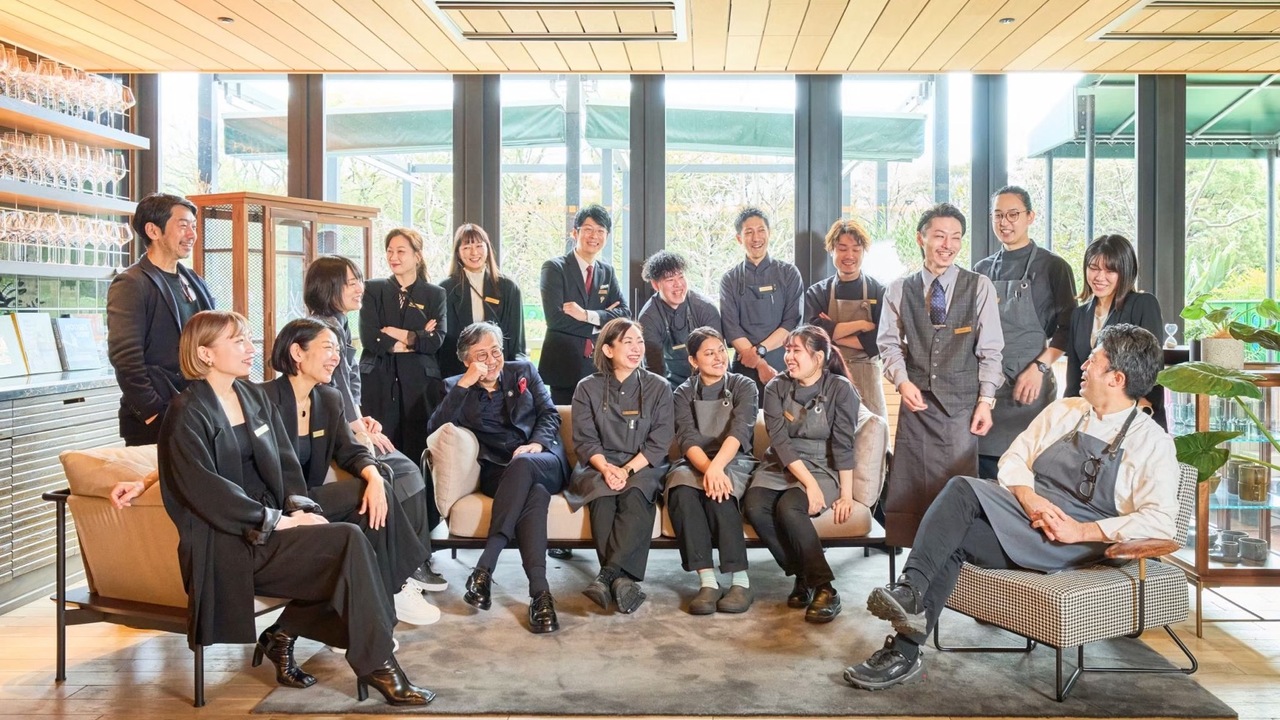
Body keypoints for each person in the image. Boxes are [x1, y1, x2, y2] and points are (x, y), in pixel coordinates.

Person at [843, 323, 1178, 691]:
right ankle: (905, 645)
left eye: (1093, 360)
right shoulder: (1066, 410)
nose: (1083, 365)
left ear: (1116, 378)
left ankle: (909, 599)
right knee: (955, 528)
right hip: (1030, 516)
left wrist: (1081, 531)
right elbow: (1015, 458)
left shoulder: (1152, 443)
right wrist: (1030, 498)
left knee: (961, 490)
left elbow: (1161, 521)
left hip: (1075, 541)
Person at [148, 310, 433, 705]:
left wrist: (301, 508)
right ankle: (378, 661)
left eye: (248, 338)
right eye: (238, 341)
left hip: (273, 524)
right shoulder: (186, 412)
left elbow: (284, 463)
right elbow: (205, 491)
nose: (250, 348)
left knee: (362, 514)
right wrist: (278, 521)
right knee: (347, 540)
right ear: (205, 354)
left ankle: (360, 632)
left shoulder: (250, 396)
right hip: (231, 543)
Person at [260, 318, 440, 626]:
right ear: (297, 353)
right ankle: (395, 587)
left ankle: (368, 610)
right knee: (365, 510)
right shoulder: (262, 399)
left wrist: (373, 477)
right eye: (327, 348)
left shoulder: (329, 399)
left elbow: (351, 450)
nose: (336, 357)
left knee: (373, 496)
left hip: (308, 499)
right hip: (273, 506)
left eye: (338, 349)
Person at [305, 255, 448, 591]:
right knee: (405, 471)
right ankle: (408, 568)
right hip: (329, 436)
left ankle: (409, 564)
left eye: (359, 280)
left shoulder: (338, 323)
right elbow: (334, 389)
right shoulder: (322, 331)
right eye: (351, 282)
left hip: (347, 423)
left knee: (408, 468)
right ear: (329, 287)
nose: (360, 288)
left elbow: (349, 386)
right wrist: (357, 428)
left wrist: (361, 418)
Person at [426, 322, 570, 633]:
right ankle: (540, 595)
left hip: (543, 460)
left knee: (525, 466)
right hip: (500, 473)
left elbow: (550, 413)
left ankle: (485, 567)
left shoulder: (524, 371)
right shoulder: (455, 387)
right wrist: (466, 383)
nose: (492, 361)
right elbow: (436, 428)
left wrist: (536, 444)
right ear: (466, 360)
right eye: (482, 355)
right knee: (535, 494)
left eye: (496, 352)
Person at [878, 203, 1004, 548]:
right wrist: (902, 382)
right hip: (916, 408)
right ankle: (914, 569)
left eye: (956, 237)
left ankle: (956, 564)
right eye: (939, 236)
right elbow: (888, 345)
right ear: (921, 238)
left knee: (954, 490)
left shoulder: (979, 286)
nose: (948, 245)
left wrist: (986, 401)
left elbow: (991, 349)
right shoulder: (898, 289)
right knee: (912, 490)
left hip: (962, 408)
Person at [743, 325, 860, 624]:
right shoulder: (776, 387)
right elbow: (780, 442)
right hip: (780, 462)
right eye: (787, 350)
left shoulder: (840, 389)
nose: (788, 357)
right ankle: (803, 574)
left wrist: (846, 494)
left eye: (796, 350)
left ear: (818, 357)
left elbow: (844, 444)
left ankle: (825, 588)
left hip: (822, 464)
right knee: (754, 506)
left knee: (789, 507)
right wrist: (808, 483)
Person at [564, 318, 673, 614]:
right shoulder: (587, 387)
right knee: (602, 498)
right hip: (599, 464)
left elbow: (659, 442)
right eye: (628, 342)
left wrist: (626, 470)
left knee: (635, 494)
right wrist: (607, 469)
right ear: (608, 350)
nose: (637, 348)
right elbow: (585, 440)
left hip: (644, 464)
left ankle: (607, 575)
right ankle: (623, 582)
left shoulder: (659, 387)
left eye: (640, 341)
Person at [974, 186, 1078, 480]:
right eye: (998, 215)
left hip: (1031, 388)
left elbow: (1068, 328)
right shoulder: (982, 270)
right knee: (985, 475)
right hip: (989, 389)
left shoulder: (1054, 267)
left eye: (1013, 215)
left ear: (1030, 216)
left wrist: (1039, 368)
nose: (1004, 222)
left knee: (1026, 472)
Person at [107, 192, 215, 446]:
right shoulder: (131, 283)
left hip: (199, 411)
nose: (192, 234)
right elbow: (125, 357)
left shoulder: (195, 281)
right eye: (183, 225)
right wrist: (152, 412)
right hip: (157, 418)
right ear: (153, 231)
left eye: (194, 226)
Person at [666, 326, 757, 614]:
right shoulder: (682, 393)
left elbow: (740, 431)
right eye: (709, 353)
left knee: (720, 492)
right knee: (681, 490)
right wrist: (709, 469)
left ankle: (740, 581)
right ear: (693, 361)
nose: (719, 357)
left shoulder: (744, 385)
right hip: (695, 460)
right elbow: (687, 439)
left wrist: (717, 470)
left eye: (721, 350)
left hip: (734, 459)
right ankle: (707, 581)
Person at [359, 228, 448, 498]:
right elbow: (370, 338)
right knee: (381, 448)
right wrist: (416, 336)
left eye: (400, 251)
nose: (393, 257)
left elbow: (435, 341)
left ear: (417, 256)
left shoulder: (435, 294)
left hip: (420, 384)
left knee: (418, 448)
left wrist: (393, 332)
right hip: (378, 380)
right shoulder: (373, 289)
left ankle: (422, 513)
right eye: (389, 251)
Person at [1065, 234, 1167, 429]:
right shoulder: (1079, 314)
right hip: (1092, 420)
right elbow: (1074, 377)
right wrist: (1068, 416)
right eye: (1094, 268)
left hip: (1135, 418)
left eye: (1110, 270)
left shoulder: (1143, 304)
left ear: (1126, 272)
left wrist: (1143, 411)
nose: (1099, 277)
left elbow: (1153, 370)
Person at [538, 204, 631, 406]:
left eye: (600, 231)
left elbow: (624, 314)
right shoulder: (554, 268)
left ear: (607, 236)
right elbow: (555, 319)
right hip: (564, 365)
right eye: (588, 229)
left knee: (601, 420)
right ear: (575, 232)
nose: (594, 236)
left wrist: (586, 314)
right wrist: (603, 323)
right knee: (567, 421)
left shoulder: (607, 272)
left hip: (599, 364)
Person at [804, 218, 888, 418]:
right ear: (831, 250)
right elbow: (813, 337)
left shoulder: (879, 291)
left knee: (873, 431)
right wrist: (862, 324)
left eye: (856, 249)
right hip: (829, 374)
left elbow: (879, 341)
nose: (849, 255)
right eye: (842, 248)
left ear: (863, 252)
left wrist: (833, 334)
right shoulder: (818, 292)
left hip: (867, 376)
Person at [719, 207, 804, 395]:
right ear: (739, 238)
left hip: (784, 362)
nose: (756, 238)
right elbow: (731, 328)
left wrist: (760, 351)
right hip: (744, 366)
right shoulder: (730, 279)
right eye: (749, 232)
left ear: (769, 233)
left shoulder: (789, 273)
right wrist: (759, 363)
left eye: (761, 230)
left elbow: (791, 322)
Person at [438, 223, 526, 379]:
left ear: (488, 248)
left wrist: (515, 375)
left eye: (479, 246)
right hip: (459, 371)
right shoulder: (445, 289)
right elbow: (443, 342)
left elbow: (515, 342)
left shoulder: (508, 288)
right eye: (466, 247)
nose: (474, 253)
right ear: (458, 252)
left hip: (498, 372)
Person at [636, 250, 722, 389]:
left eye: (681, 277)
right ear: (655, 285)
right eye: (670, 280)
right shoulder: (648, 317)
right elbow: (654, 368)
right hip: (670, 385)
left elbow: (718, 357)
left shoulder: (704, 308)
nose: (678, 284)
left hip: (709, 380)